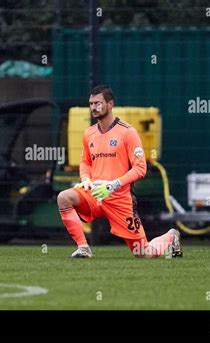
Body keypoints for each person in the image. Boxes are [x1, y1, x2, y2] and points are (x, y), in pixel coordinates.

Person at [57, 85, 183, 258]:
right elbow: (85, 161)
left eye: (98, 103)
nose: (94, 107)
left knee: (143, 253)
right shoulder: (89, 134)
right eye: (91, 103)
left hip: (119, 198)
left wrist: (112, 185)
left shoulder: (128, 132)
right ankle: (83, 248)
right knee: (64, 197)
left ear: (110, 104)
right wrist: (85, 179)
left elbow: (140, 168)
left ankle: (171, 236)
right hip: (94, 193)